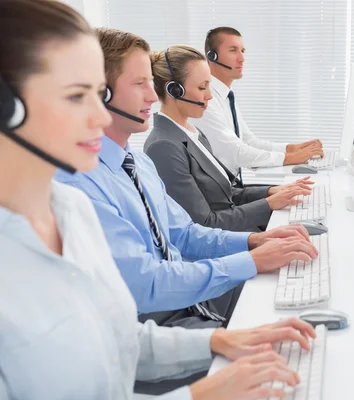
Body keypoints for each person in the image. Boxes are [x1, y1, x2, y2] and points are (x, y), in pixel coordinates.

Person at [0, 1, 316, 399]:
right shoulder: (73, 200)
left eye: (98, 95)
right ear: (6, 107)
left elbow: (115, 339)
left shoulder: (69, 210)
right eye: (77, 96)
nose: (99, 117)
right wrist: (200, 395)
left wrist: (217, 342)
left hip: (179, 329)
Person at [56, 26, 318, 328]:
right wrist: (252, 260)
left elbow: (185, 234)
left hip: (188, 305)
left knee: (292, 309)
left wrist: (255, 241)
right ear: (101, 94)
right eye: (140, 83)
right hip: (161, 323)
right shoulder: (80, 185)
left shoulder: (138, 164)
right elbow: (147, 284)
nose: (154, 95)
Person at [145, 45, 315, 232]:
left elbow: (222, 195)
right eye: (202, 87)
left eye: (209, 85)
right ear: (174, 90)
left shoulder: (192, 133)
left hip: (233, 229)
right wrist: (269, 204)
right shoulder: (164, 147)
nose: (209, 96)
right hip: (222, 243)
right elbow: (203, 224)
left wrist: (272, 191)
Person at [192, 26, 324, 178]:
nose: (242, 58)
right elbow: (235, 152)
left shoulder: (226, 96)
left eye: (243, 51)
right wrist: (291, 158)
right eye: (233, 50)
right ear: (212, 56)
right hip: (221, 193)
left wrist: (292, 148)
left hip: (232, 187)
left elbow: (248, 141)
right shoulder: (205, 100)